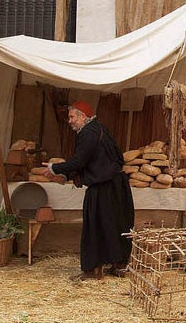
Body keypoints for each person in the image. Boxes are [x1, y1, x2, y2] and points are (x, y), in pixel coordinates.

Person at [42, 101, 135, 280]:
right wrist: (69, 175)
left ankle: (94, 269)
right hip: (115, 185)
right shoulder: (99, 129)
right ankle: (119, 265)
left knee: (96, 226)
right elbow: (107, 158)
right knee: (114, 225)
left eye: (72, 117)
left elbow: (79, 160)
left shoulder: (88, 133)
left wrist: (56, 168)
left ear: (82, 116)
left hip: (105, 187)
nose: (69, 121)